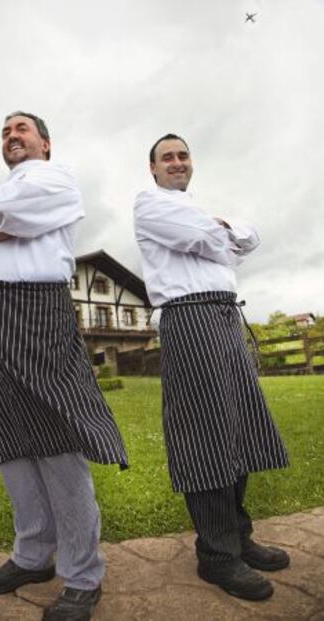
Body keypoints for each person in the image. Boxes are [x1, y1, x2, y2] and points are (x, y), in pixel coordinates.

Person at [0, 111, 128, 621]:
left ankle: (83, 574)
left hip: (37, 309)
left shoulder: (56, 177)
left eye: (21, 129)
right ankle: (32, 556)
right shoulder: (4, 191)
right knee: (12, 440)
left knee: (58, 438)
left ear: (45, 142)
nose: (11, 136)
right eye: (4, 131)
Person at [133, 133, 290, 601]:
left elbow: (249, 237)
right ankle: (217, 555)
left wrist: (219, 230)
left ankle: (238, 539)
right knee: (206, 435)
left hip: (225, 314)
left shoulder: (193, 207)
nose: (176, 162)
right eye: (167, 158)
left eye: (183, 155)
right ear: (154, 169)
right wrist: (222, 233)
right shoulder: (148, 203)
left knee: (236, 430)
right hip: (188, 317)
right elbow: (213, 240)